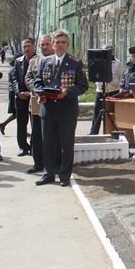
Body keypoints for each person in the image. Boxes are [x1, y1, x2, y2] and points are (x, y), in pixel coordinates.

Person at [33, 29, 88, 187]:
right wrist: (39, 94)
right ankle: (48, 174)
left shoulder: (75, 63)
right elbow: (38, 82)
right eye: (57, 42)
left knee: (66, 145)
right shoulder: (45, 61)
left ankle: (64, 176)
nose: (60, 45)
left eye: (63, 42)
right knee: (48, 144)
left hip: (67, 111)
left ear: (67, 45)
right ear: (53, 45)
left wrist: (67, 92)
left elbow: (83, 86)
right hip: (48, 110)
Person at [25, 34, 53, 174]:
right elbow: (28, 77)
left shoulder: (58, 60)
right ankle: (38, 163)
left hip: (54, 101)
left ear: (52, 44)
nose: (45, 47)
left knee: (53, 134)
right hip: (37, 100)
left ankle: (54, 164)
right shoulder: (34, 61)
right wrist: (37, 90)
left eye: (47, 44)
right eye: (42, 45)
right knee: (36, 134)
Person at [89, 45, 123, 134]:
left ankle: (113, 131)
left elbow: (121, 77)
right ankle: (93, 132)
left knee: (113, 113)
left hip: (113, 91)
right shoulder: (98, 62)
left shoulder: (118, 63)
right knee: (97, 112)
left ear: (112, 52)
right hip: (100, 90)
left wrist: (116, 83)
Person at [12, 39, 35, 155]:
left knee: (35, 124)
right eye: (24, 46)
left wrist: (30, 92)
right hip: (21, 97)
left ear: (34, 46)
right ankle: (23, 147)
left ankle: (34, 146)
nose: (26, 49)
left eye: (29, 46)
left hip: (34, 96)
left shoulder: (39, 60)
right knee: (21, 124)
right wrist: (18, 92)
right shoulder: (19, 61)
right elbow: (14, 78)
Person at [0, 56, 18, 135]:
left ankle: (3, 124)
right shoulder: (14, 69)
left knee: (19, 113)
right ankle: (3, 124)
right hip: (14, 92)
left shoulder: (14, 68)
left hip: (14, 92)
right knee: (17, 113)